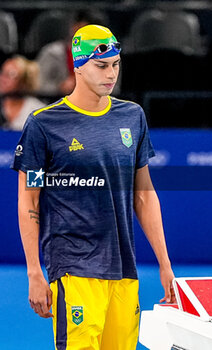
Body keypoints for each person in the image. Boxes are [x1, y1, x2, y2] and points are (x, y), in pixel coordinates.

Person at [12, 24, 175, 349]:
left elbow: (143, 195)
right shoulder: (43, 124)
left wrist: (165, 263)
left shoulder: (132, 117)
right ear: (78, 65)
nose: (111, 73)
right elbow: (28, 198)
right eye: (102, 65)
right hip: (73, 269)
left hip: (124, 272)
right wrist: (34, 272)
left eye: (115, 64)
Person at [37, 9, 108, 96]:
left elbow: (114, 89)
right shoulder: (52, 53)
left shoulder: (108, 56)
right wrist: (60, 87)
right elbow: (39, 85)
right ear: (74, 27)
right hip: (56, 103)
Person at [0, 55, 45, 130]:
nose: (3, 79)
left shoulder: (38, 111)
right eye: (2, 72)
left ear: (24, 82)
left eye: (11, 74)